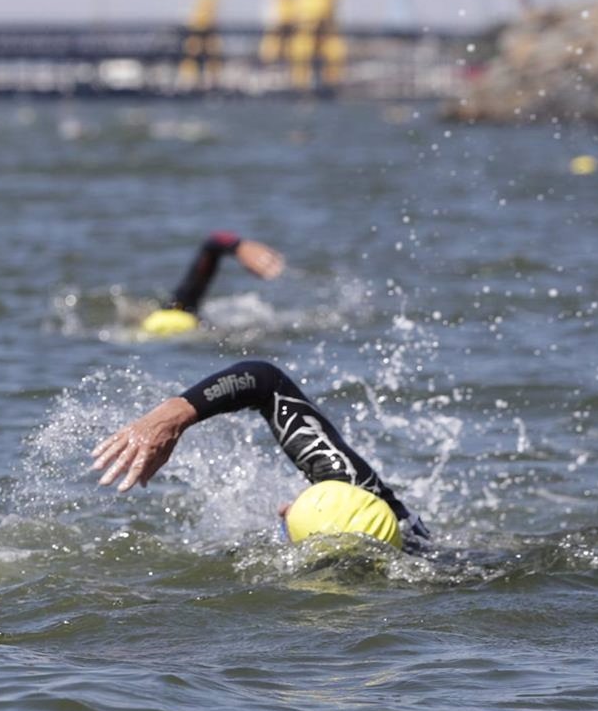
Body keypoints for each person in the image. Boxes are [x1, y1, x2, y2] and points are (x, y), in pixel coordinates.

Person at [91, 360, 430, 550]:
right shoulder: (357, 488)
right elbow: (265, 382)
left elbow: (267, 380)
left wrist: (177, 413)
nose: (286, 507)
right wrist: (176, 412)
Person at [140, 231, 286, 336]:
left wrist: (239, 246)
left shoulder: (173, 311)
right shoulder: (177, 313)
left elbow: (211, 244)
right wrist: (238, 246)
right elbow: (211, 245)